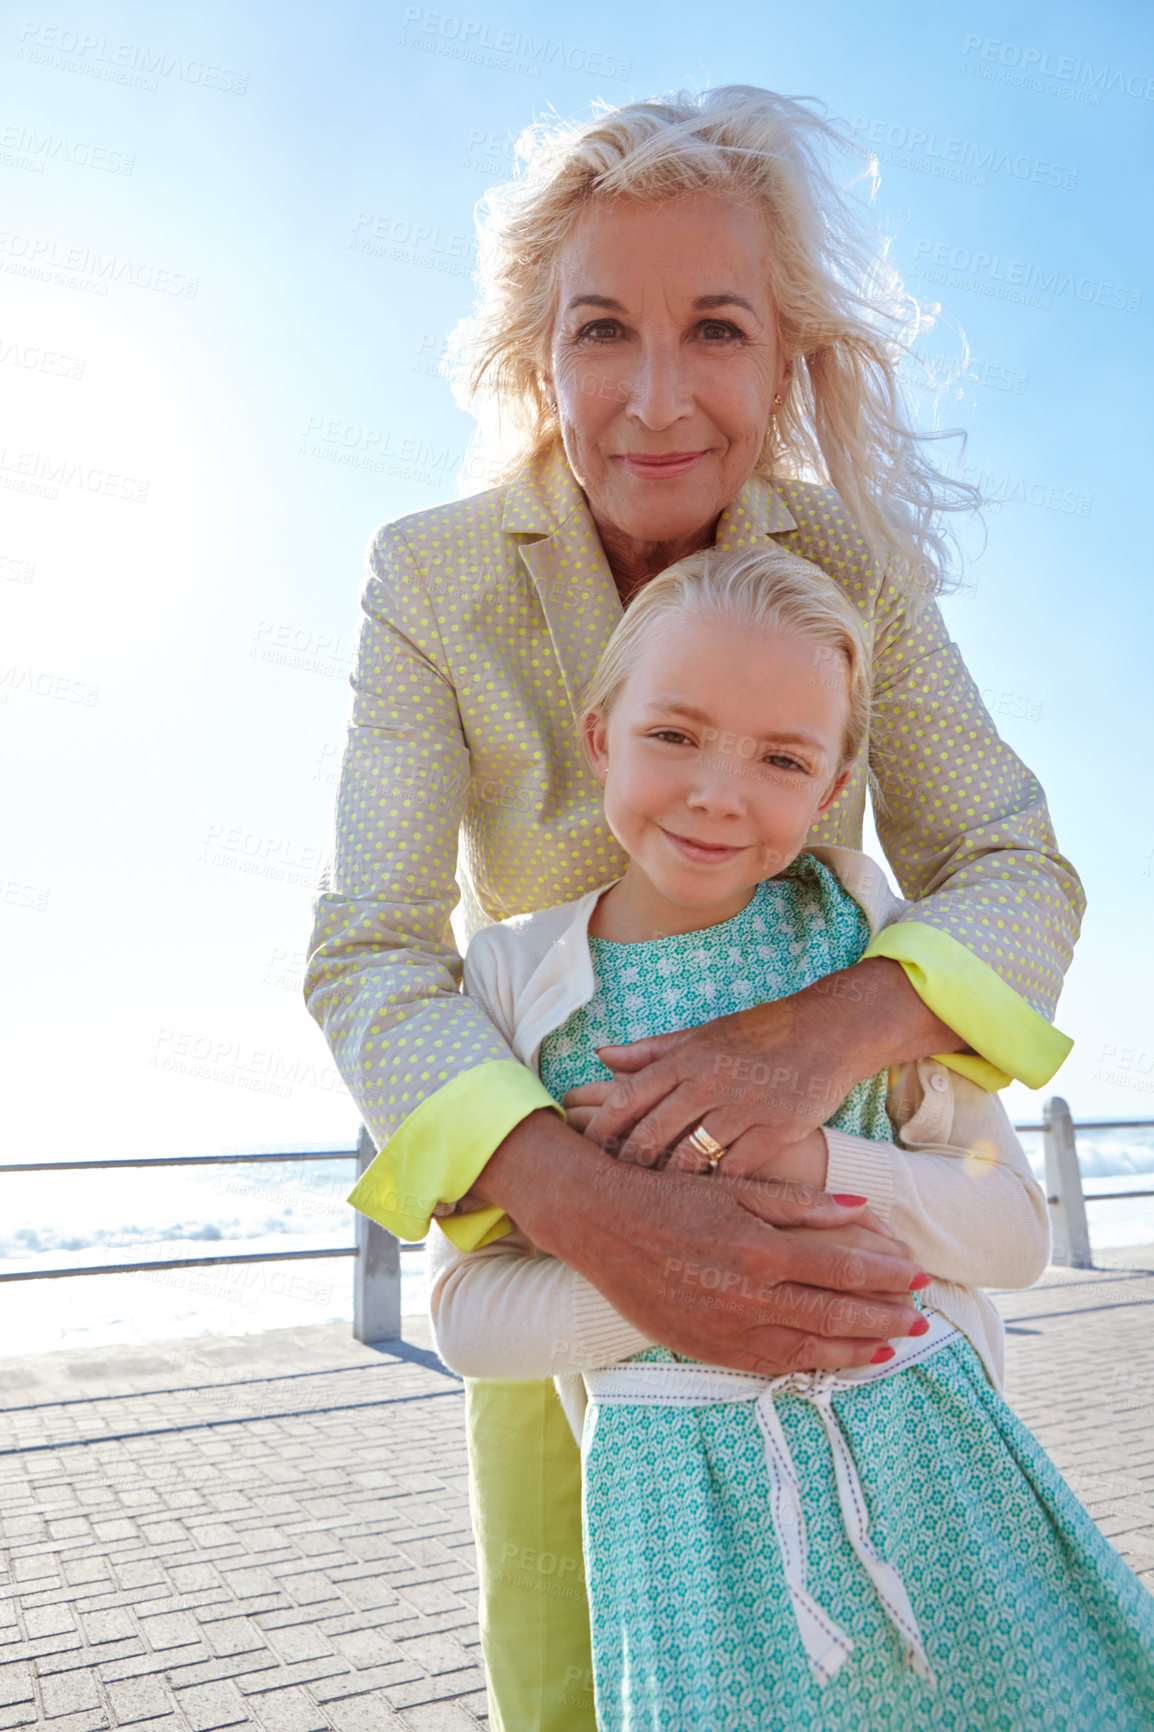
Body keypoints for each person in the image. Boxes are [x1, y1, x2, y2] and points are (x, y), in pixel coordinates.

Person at [304, 87, 1085, 1730]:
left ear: (785, 354)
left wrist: (820, 1040)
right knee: (584, 1679)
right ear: (540, 350)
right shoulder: (429, 576)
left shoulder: (851, 561)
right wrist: (594, 1211)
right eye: (603, 332)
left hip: (860, 1313)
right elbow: (371, 948)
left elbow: (1010, 864)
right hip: (564, 1265)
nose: (655, 398)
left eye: (714, 329)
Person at [428, 546, 1154, 1730]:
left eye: (780, 757)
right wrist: (681, 1264)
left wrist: (816, 1165)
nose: (720, 791)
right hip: (680, 1528)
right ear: (600, 735)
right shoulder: (512, 977)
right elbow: (463, 1316)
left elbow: (1013, 1234)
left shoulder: (872, 931)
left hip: (937, 1473)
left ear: (829, 788)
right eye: (674, 735)